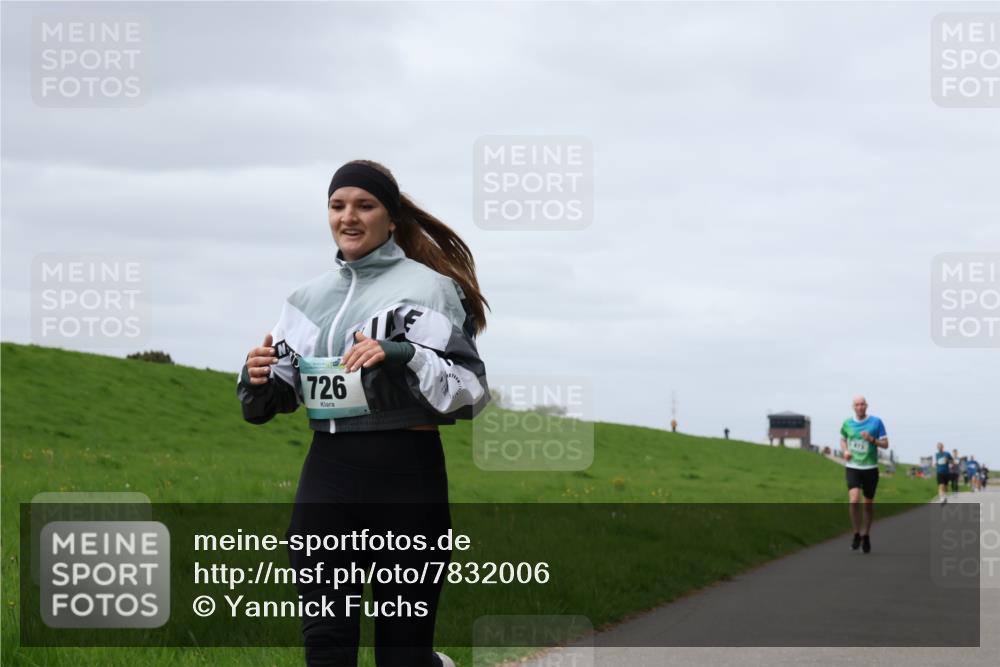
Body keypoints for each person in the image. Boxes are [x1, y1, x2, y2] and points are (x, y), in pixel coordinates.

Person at [237, 159, 490, 667]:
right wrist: (259, 376)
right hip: (328, 478)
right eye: (337, 205)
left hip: (406, 478)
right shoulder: (306, 299)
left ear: (391, 218)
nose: (348, 216)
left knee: (402, 655)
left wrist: (403, 354)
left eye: (364, 205)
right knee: (326, 648)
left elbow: (470, 391)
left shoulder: (428, 289)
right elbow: (273, 400)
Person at [840, 395, 889, 554]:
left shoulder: (876, 422)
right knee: (854, 500)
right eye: (857, 405)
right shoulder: (847, 423)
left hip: (870, 468)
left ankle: (866, 535)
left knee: (868, 504)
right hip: (853, 467)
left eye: (862, 404)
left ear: (866, 406)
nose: (860, 407)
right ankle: (856, 534)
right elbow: (842, 438)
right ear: (853, 407)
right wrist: (845, 450)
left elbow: (886, 444)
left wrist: (872, 439)